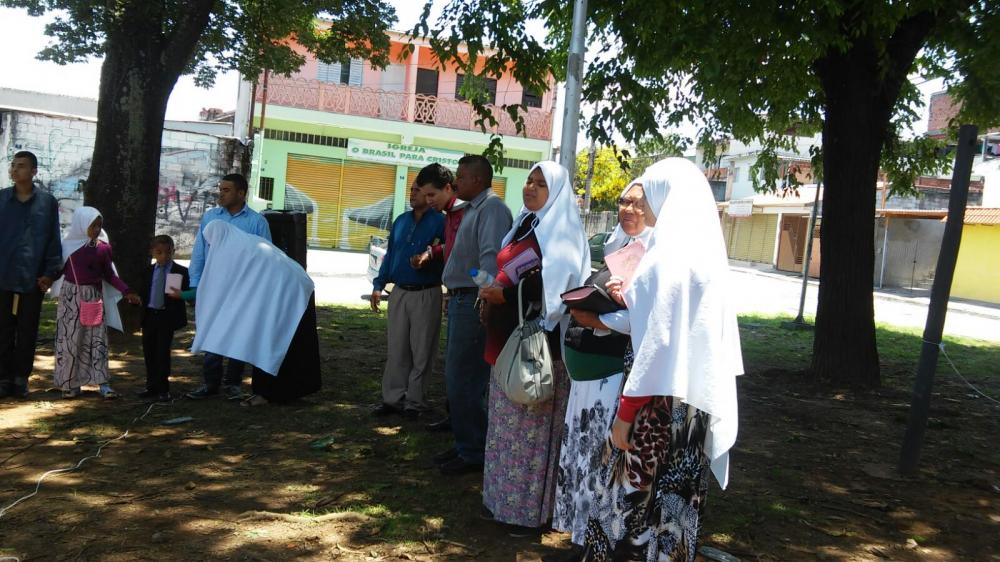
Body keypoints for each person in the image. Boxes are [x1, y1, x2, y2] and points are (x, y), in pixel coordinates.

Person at [575, 158, 743, 560]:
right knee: (675, 505)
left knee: (628, 502)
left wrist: (626, 414)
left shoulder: (665, 256)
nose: (641, 202)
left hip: (653, 405)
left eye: (647, 194)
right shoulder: (702, 256)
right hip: (691, 405)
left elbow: (656, 346)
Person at [477, 161, 590, 534]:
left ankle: (526, 514)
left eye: (541, 184)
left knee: (530, 430)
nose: (530, 187)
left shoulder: (561, 234)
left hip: (537, 347)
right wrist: (492, 297)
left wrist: (506, 296)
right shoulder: (528, 223)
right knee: (505, 427)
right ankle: (500, 501)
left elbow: (558, 294)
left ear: (555, 192)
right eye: (529, 180)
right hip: (507, 339)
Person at [552, 179, 655, 551]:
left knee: (600, 462)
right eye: (624, 202)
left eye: (638, 203)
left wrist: (598, 320)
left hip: (613, 377)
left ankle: (595, 543)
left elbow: (646, 318)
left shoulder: (656, 255)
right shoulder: (620, 247)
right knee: (582, 459)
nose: (628, 209)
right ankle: (580, 538)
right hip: (588, 380)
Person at [434, 155, 512, 476]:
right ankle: (466, 442)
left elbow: (491, 259)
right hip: (461, 298)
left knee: (463, 379)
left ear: (478, 180)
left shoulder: (492, 209)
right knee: (459, 378)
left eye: (461, 177)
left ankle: (474, 450)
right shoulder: (473, 208)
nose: (456, 182)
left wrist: (485, 300)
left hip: (474, 301)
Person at [189, 221, 320, 406]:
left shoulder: (231, 249)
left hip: (285, 292)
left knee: (267, 340)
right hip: (298, 287)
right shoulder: (248, 241)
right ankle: (285, 390)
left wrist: (189, 296)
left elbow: (220, 287)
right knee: (283, 340)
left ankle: (267, 392)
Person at [185, 173, 272, 400]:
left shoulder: (256, 222)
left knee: (238, 332)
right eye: (220, 189)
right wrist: (195, 284)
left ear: (241, 193)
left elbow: (266, 258)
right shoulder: (211, 218)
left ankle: (233, 383)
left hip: (243, 288)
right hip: (213, 286)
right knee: (211, 330)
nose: (220, 194)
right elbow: (200, 252)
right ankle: (210, 383)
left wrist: (257, 289)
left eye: (226, 190)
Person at [370, 180, 446, 418]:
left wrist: (429, 258)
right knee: (397, 348)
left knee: (422, 351)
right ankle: (392, 399)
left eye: (418, 190)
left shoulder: (441, 221)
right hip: (400, 291)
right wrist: (378, 285)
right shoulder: (401, 220)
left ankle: (415, 401)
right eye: (411, 190)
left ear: (429, 194)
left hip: (427, 291)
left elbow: (449, 252)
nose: (412, 194)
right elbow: (390, 254)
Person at [52, 207, 140, 399]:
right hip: (70, 298)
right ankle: (71, 384)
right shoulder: (67, 246)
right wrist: (45, 280)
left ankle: (103, 383)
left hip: (93, 297)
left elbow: (109, 274)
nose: (97, 229)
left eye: (99, 225)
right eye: (93, 226)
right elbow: (58, 270)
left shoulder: (103, 248)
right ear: (81, 224)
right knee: (71, 339)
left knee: (97, 339)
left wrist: (127, 291)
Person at [0, 151, 62, 399]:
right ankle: (3, 378)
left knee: (27, 330)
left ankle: (20, 378)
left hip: (33, 276)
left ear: (34, 171)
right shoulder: (2, 199)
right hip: (3, 274)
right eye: (13, 165)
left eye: (21, 166)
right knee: (3, 329)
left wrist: (50, 273)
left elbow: (53, 239)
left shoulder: (47, 203)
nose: (15, 170)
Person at [411, 162, 466, 432]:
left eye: (432, 194)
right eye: (425, 195)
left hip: (471, 296)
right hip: (455, 295)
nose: (428, 200)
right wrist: (432, 253)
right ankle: (454, 418)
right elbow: (452, 246)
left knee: (462, 366)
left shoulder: (467, 212)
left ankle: (465, 430)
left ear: (448, 188)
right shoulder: (449, 215)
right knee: (453, 363)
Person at [135, 235, 189, 402]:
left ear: (173, 251)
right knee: (149, 351)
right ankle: (151, 386)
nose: (164, 256)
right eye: (159, 252)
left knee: (162, 352)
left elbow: (187, 293)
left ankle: (163, 388)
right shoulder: (148, 271)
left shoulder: (180, 271)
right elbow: (144, 291)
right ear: (152, 252)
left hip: (167, 316)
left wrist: (181, 295)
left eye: (168, 252)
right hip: (150, 315)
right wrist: (137, 299)